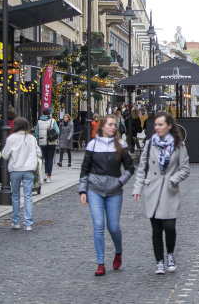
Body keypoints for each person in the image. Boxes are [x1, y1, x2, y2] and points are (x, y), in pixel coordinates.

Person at [133, 112, 190, 275]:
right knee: (156, 229)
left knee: (169, 226)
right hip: (152, 189)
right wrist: (137, 188)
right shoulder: (150, 144)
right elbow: (142, 167)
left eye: (160, 124)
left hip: (169, 190)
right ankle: (159, 261)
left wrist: (174, 179)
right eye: (155, 125)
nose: (157, 128)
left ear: (169, 126)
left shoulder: (179, 145)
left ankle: (170, 255)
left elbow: (185, 168)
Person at [79, 114, 135, 276]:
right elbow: (85, 169)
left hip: (114, 190)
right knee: (98, 226)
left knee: (113, 226)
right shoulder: (93, 145)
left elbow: (130, 168)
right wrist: (83, 190)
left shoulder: (121, 145)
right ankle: (100, 263)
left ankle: (118, 251)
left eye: (114, 125)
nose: (113, 127)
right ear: (102, 126)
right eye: (110, 124)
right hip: (94, 189)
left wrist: (119, 182)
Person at [2, 118, 41, 231]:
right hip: (29, 169)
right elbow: (39, 152)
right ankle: (28, 223)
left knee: (15, 196)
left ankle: (16, 222)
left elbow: (4, 155)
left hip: (15, 169)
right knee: (28, 196)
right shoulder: (32, 138)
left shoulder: (11, 138)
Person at [35, 108, 59, 183]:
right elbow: (57, 131)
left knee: (45, 159)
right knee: (50, 159)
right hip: (51, 142)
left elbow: (36, 133)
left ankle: (45, 174)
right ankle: (49, 176)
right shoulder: (52, 121)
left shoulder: (39, 122)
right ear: (49, 114)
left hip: (42, 142)